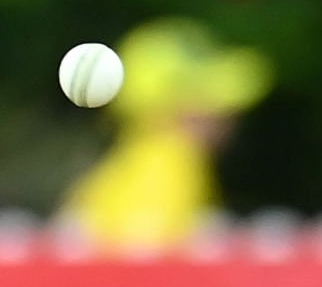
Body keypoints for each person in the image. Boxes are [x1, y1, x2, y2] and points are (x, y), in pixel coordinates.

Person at [58, 18, 273, 252]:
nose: (229, 115)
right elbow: (153, 271)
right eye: (210, 100)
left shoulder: (133, 163)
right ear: (167, 110)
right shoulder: (171, 168)